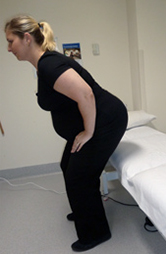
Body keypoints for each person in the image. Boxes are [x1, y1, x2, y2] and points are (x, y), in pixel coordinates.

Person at [4, 15, 128, 252]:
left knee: (79, 176)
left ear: (26, 38)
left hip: (106, 121)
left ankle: (96, 233)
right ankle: (84, 210)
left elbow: (86, 95)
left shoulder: (50, 65)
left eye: (11, 41)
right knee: (67, 165)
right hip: (95, 120)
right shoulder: (45, 65)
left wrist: (88, 132)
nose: (9, 48)